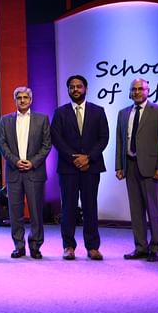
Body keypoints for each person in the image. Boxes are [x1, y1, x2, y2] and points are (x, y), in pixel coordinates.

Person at [50, 74, 109, 261]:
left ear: (86, 89)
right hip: (68, 167)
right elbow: (56, 138)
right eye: (72, 87)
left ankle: (92, 247)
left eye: (79, 86)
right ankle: (68, 246)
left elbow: (103, 138)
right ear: (68, 90)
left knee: (91, 206)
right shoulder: (60, 112)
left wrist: (88, 158)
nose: (75, 89)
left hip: (91, 167)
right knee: (68, 207)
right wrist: (74, 158)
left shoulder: (98, 111)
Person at [115, 78, 158, 262]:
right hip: (130, 166)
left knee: (153, 210)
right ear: (130, 92)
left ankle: (155, 247)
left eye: (141, 89)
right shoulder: (123, 113)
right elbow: (120, 142)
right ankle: (140, 247)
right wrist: (119, 166)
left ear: (148, 91)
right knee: (136, 210)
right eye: (134, 89)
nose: (137, 92)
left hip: (151, 168)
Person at [0, 86, 52, 259]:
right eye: (19, 98)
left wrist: (33, 162)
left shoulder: (42, 119)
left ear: (31, 100)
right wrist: (15, 161)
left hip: (34, 172)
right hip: (14, 172)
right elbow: (2, 145)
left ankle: (35, 246)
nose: (22, 100)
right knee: (15, 212)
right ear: (15, 101)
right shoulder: (5, 120)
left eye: (25, 98)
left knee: (36, 212)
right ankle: (19, 246)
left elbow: (46, 145)